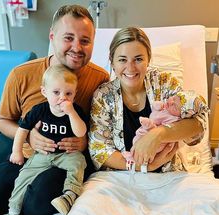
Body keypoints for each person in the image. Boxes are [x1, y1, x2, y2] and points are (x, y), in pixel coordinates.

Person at [0, 4, 109, 215]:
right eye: (68, 38)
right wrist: (28, 135)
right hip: (27, 157)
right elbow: (2, 120)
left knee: (38, 201)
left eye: (85, 40)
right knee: (1, 184)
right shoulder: (22, 74)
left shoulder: (100, 79)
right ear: (52, 37)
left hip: (65, 160)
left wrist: (83, 143)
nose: (77, 47)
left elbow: (104, 128)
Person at [88, 27, 209, 173]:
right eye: (122, 60)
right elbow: (99, 150)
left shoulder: (165, 82)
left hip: (168, 174)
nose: (130, 68)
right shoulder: (103, 96)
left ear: (148, 60)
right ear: (112, 62)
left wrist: (158, 134)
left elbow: (197, 126)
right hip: (122, 177)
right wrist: (143, 167)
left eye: (138, 59)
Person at [0, 65, 87, 215]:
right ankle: (13, 213)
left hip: (66, 154)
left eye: (68, 93)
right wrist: (17, 151)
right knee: (23, 177)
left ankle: (70, 195)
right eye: (56, 92)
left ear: (75, 93)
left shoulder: (75, 110)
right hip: (42, 154)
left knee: (79, 162)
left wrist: (72, 113)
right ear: (44, 92)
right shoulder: (39, 110)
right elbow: (23, 130)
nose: (62, 98)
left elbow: (81, 132)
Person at [122, 91, 209, 171]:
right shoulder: (109, 92)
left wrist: (157, 134)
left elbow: (200, 125)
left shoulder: (167, 82)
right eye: (173, 98)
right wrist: (147, 166)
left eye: (175, 106)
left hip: (168, 170)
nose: (171, 102)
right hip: (126, 169)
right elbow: (107, 155)